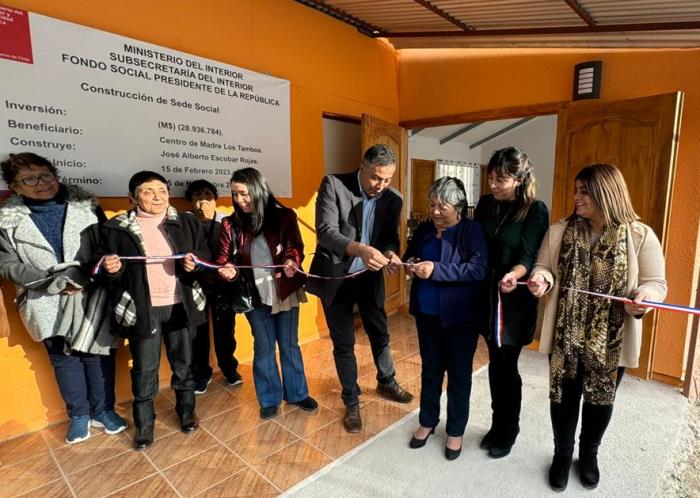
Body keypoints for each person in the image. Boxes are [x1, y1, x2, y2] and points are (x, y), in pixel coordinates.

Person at [528, 163, 667, 491]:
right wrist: (540, 280)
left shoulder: (639, 235)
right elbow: (543, 267)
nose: (576, 197)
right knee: (563, 399)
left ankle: (588, 455)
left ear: (606, 193)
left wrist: (643, 296)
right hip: (566, 337)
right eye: (576, 190)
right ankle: (562, 455)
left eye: (584, 191)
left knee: (599, 401)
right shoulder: (560, 230)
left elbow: (656, 283)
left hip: (611, 342)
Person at [0, 152, 126, 444]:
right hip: (44, 296)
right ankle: (79, 415)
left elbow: (105, 246)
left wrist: (90, 272)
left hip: (89, 291)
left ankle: (103, 410)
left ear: (55, 175)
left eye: (45, 175)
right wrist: (50, 280)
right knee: (63, 357)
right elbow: (6, 264)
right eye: (29, 179)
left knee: (97, 352)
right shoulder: (6, 221)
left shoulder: (87, 207)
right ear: (16, 186)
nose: (40, 183)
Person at [307, 144, 414, 433]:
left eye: (387, 179)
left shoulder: (393, 199)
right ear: (362, 166)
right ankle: (351, 400)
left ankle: (386, 380)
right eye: (376, 178)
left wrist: (391, 253)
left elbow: (390, 238)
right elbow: (326, 232)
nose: (380, 186)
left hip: (369, 277)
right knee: (344, 343)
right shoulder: (334, 184)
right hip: (337, 278)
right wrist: (361, 249)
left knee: (380, 332)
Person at [99, 171, 209, 450]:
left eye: (162, 190)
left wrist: (194, 265)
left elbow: (205, 257)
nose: (157, 196)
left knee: (183, 364)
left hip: (179, 305)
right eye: (148, 191)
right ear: (132, 198)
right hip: (142, 309)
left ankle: (186, 411)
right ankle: (144, 424)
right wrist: (111, 270)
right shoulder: (116, 228)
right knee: (145, 369)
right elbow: (105, 272)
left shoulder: (186, 222)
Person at [217, 167, 317, 419]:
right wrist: (226, 269)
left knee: (289, 344)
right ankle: (269, 398)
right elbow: (223, 258)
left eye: (244, 193)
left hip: (284, 290)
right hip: (254, 296)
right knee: (263, 347)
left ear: (258, 190)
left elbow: (295, 247)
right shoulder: (230, 224)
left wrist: (292, 262)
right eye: (235, 194)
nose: (239, 200)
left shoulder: (284, 217)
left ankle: (297, 393)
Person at [404, 177, 487, 460]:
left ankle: (455, 429)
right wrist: (410, 264)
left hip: (460, 319)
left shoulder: (471, 231)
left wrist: (437, 270)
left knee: (459, 376)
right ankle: (428, 421)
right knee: (430, 371)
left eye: (443, 206)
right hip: (426, 314)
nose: (435, 211)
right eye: (432, 204)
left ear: (459, 207)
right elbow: (411, 255)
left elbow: (477, 270)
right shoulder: (426, 228)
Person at [474, 147, 549, 458]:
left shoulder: (535, 209)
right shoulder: (485, 204)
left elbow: (528, 256)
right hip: (485, 294)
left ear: (519, 179)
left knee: (507, 365)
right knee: (495, 362)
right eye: (491, 177)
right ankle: (496, 423)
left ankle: (510, 427)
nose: (493, 184)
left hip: (514, 297)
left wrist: (514, 273)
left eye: (501, 179)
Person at [185, 179, 242, 394]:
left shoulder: (227, 223)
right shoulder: (186, 224)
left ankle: (229, 369)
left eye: (207, 196)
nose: (202, 202)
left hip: (222, 287)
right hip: (195, 287)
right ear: (190, 202)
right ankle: (202, 374)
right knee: (197, 334)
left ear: (215, 200)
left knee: (225, 332)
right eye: (197, 197)